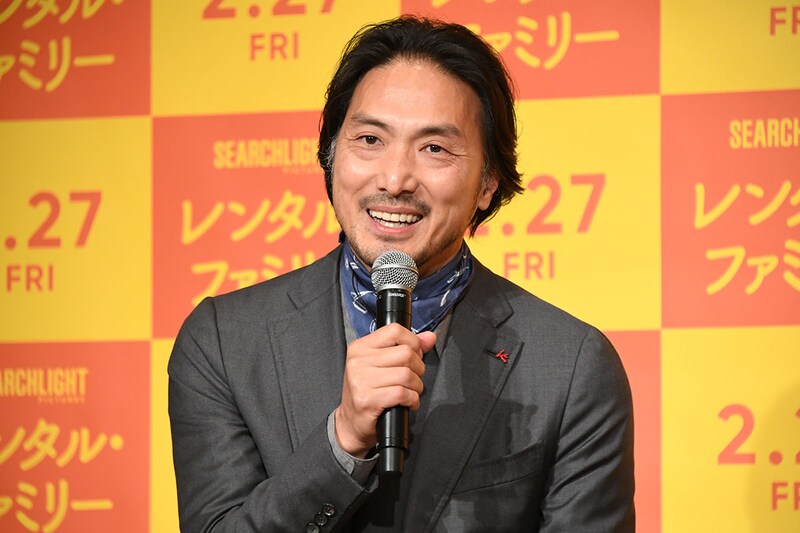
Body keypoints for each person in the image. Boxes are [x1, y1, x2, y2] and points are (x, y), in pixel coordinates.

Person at [169, 15, 635, 533]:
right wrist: (342, 441)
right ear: (331, 156)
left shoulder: (570, 365)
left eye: (434, 148)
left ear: (488, 183)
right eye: (370, 139)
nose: (394, 179)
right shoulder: (224, 341)